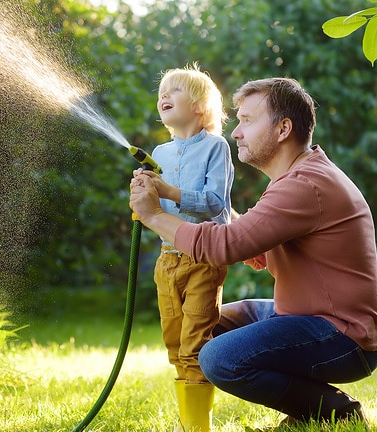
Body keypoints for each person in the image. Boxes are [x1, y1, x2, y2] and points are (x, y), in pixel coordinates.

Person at [130, 77, 377, 429]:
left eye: (247, 120)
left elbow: (223, 247)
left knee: (217, 356)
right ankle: (310, 404)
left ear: (283, 129)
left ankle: (332, 409)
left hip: (343, 336)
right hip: (302, 316)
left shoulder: (304, 186)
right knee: (205, 321)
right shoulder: (293, 179)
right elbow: (253, 243)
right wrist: (208, 207)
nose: (236, 132)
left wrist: (154, 215)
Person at [144, 64, 234, 432]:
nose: (164, 96)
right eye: (162, 92)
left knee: (195, 341)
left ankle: (198, 427)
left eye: (174, 91)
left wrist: (169, 192)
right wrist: (144, 191)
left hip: (203, 260)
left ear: (199, 106)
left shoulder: (217, 147)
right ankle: (188, 422)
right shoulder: (158, 153)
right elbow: (153, 209)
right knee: (173, 340)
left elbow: (216, 201)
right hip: (167, 260)